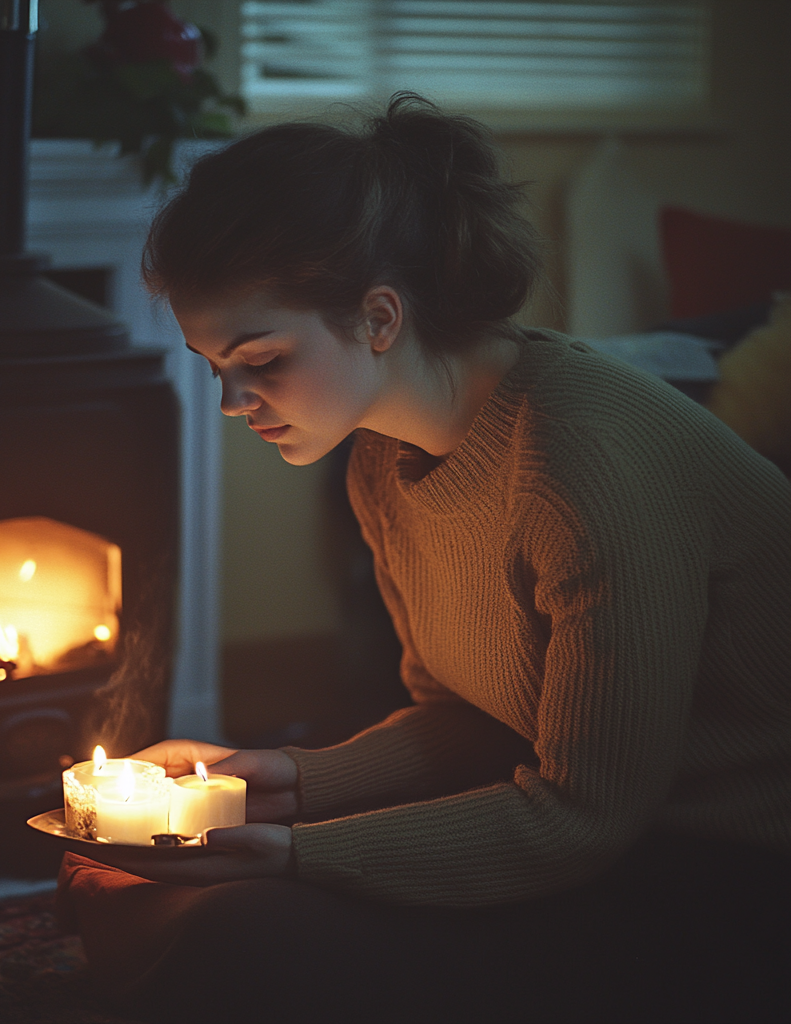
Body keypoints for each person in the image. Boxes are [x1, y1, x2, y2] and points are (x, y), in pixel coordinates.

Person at [56, 94, 791, 1023]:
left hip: (731, 866)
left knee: (242, 934)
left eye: (263, 357)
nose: (233, 400)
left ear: (378, 317)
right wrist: (277, 780)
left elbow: (582, 815)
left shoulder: (585, 461)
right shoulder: (380, 462)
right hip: (604, 833)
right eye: (215, 367)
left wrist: (294, 851)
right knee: (163, 893)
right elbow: (469, 716)